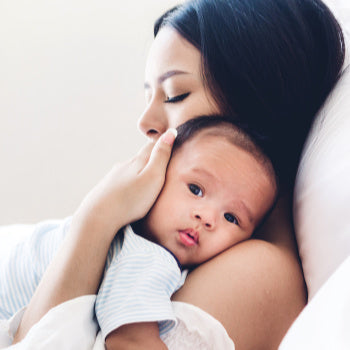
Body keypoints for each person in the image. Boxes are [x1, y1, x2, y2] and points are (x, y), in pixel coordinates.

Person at [11, 0, 345, 349]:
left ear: (256, 105)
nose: (145, 124)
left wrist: (97, 217)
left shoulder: (258, 272)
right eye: (148, 96)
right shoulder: (181, 238)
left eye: (174, 94)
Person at [1, 116, 277, 348]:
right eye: (195, 189)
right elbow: (129, 339)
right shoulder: (147, 253)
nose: (206, 217)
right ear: (156, 172)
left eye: (231, 217)